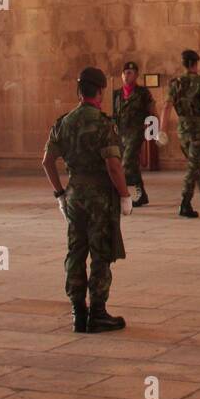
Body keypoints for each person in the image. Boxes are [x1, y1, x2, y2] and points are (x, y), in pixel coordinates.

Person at [42, 67, 131, 333]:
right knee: (100, 253)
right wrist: (125, 195)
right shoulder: (103, 124)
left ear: (79, 91)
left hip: (74, 196)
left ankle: (78, 313)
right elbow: (113, 166)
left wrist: (60, 194)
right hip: (100, 198)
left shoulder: (64, 122)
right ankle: (98, 314)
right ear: (100, 91)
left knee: (76, 251)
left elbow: (47, 162)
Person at [160, 49, 200, 218]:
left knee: (194, 162)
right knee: (193, 165)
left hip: (183, 130)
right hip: (198, 129)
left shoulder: (175, 83)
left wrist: (162, 130)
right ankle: (185, 203)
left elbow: (166, 107)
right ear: (195, 63)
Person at [112, 61, 156, 207]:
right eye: (124, 73)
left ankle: (120, 194)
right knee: (133, 165)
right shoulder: (117, 94)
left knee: (127, 163)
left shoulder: (143, 93)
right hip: (121, 133)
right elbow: (114, 115)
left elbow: (152, 112)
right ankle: (142, 194)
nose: (126, 75)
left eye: (130, 73)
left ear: (136, 75)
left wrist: (154, 132)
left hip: (136, 132)